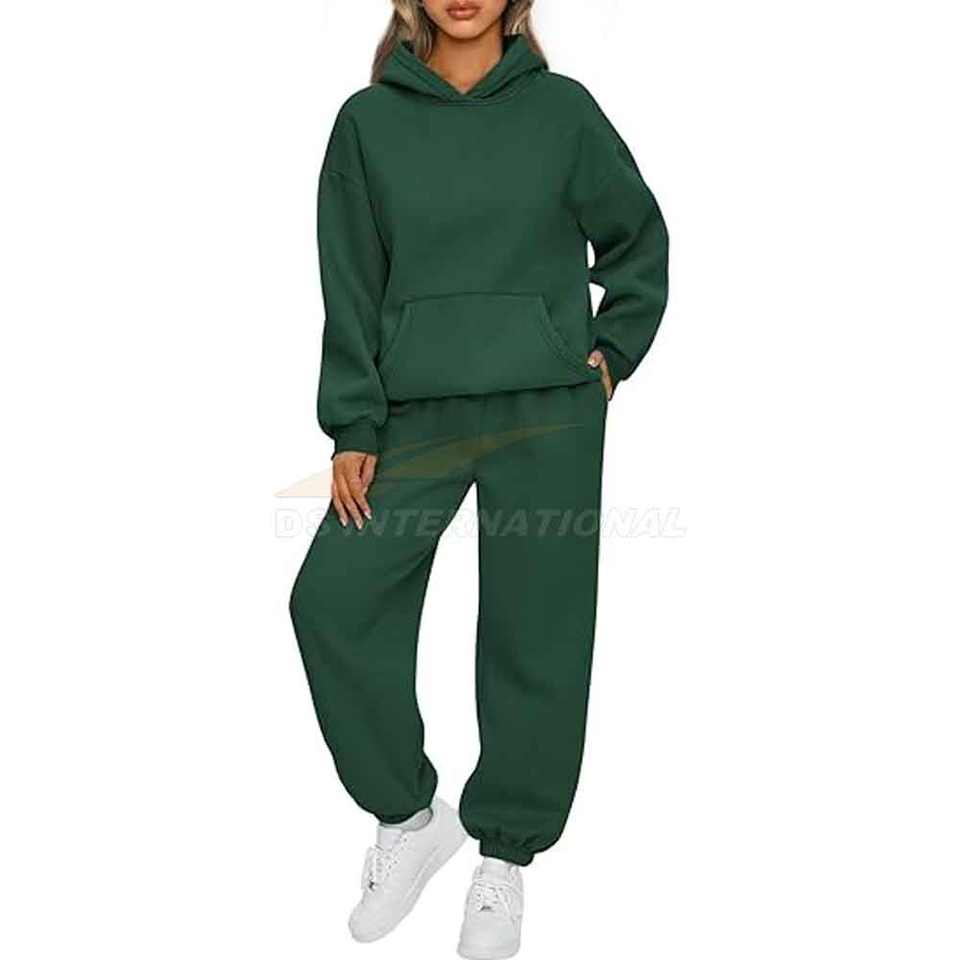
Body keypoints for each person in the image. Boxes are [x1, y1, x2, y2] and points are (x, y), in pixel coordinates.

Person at [289, 1, 668, 956]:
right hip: (413, 414)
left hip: (547, 408)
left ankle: (505, 858)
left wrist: (610, 355)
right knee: (332, 601)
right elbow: (349, 279)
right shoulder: (368, 123)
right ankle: (410, 818)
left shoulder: (563, 112)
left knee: (538, 631)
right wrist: (353, 421)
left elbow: (639, 240)